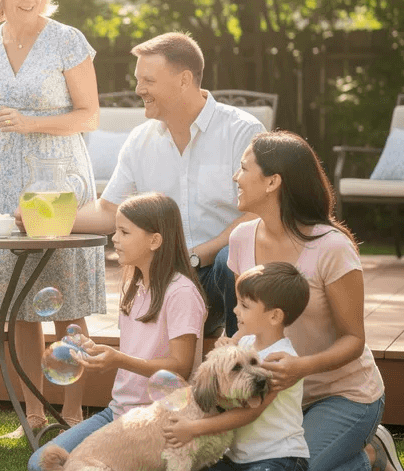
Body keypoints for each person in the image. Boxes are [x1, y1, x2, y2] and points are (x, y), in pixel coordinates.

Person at [0, 0, 106, 437]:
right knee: (19, 300)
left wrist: (32, 123)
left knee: (63, 297)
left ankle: (73, 415)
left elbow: (89, 114)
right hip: (2, 175)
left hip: (55, 176)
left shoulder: (67, 40)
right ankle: (30, 415)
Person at [226, 130, 404, 471]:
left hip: (341, 395)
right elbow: (246, 325)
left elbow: (354, 340)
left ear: (273, 181)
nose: (236, 177)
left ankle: (370, 455)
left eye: (244, 168)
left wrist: (300, 369)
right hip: (276, 395)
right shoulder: (241, 239)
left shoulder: (332, 247)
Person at [72, 32, 265, 338]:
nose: (138, 90)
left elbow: (260, 212)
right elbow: (109, 212)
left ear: (184, 80)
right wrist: (40, 221)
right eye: (138, 80)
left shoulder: (241, 131)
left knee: (233, 255)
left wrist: (201, 253)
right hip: (165, 277)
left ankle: (235, 362)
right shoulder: (140, 140)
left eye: (148, 80)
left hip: (220, 273)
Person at [28, 192, 205, 471]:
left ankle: (120, 469)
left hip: (155, 417)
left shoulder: (181, 292)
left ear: (154, 241)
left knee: (77, 466)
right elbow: (134, 352)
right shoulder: (133, 284)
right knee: (41, 462)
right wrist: (94, 349)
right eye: (116, 230)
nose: (115, 239)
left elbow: (181, 366)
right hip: (119, 411)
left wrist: (119, 360)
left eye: (124, 232)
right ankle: (117, 467)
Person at [163, 262, 314, 471]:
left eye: (244, 306)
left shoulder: (282, 360)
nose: (235, 310)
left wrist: (192, 428)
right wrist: (225, 347)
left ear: (274, 316)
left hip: (278, 457)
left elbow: (250, 412)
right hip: (238, 457)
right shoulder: (245, 342)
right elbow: (224, 367)